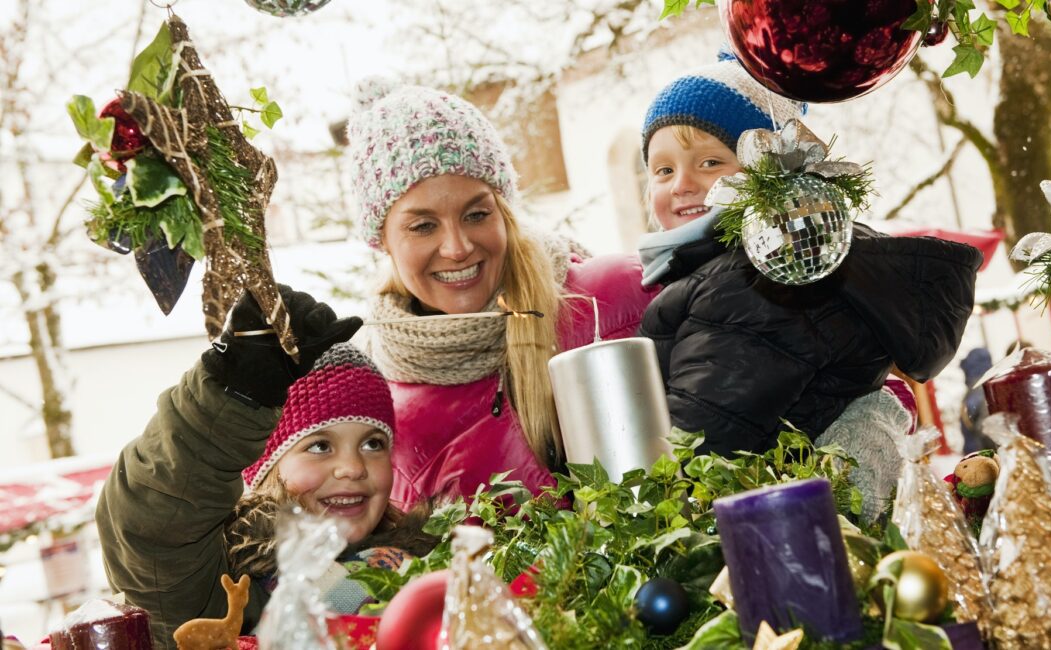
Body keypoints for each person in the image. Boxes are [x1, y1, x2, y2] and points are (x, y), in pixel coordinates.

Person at [636, 57, 982, 490]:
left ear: (768, 173)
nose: (681, 184)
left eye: (709, 162)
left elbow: (698, 453)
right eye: (663, 169)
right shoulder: (720, 269)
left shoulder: (756, 280)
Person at [347, 80, 655, 510]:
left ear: (504, 211)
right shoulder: (379, 417)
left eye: (476, 214)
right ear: (381, 240)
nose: (457, 247)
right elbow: (361, 569)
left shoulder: (612, 301)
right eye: (422, 226)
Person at [96, 287, 436, 649]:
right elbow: (155, 523)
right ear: (267, 468)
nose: (352, 467)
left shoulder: (429, 569)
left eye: (373, 444)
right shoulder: (228, 590)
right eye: (319, 446)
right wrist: (236, 395)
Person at [959, 347, 994, 454]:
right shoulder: (988, 387)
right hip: (984, 455)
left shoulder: (977, 390)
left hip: (983, 455)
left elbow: (987, 430)